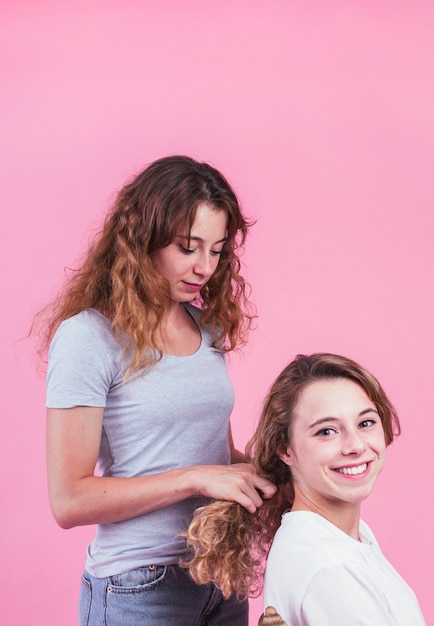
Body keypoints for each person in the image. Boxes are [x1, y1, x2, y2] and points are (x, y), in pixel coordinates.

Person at [37, 155, 277, 626]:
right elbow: (69, 501)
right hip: (139, 588)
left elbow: (218, 455)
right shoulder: (89, 338)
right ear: (144, 237)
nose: (205, 266)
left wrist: (292, 477)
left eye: (217, 250)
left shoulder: (205, 328)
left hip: (219, 576)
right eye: (188, 247)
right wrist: (194, 478)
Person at [185, 353, 427, 625]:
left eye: (365, 423)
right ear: (285, 449)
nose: (356, 445)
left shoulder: (343, 537)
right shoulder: (330, 567)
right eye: (326, 431)